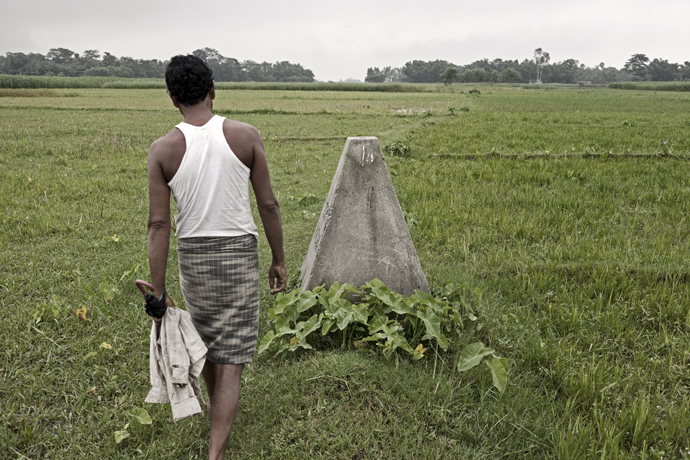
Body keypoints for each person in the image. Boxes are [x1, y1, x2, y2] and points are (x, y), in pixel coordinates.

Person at [146, 54, 286, 460]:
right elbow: (269, 205)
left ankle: (217, 419)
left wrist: (158, 290)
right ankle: (215, 453)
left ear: (173, 98)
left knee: (209, 344)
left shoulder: (163, 149)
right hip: (239, 253)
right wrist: (278, 260)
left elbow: (158, 225)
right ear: (212, 90)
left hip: (194, 258)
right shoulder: (245, 135)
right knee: (233, 358)